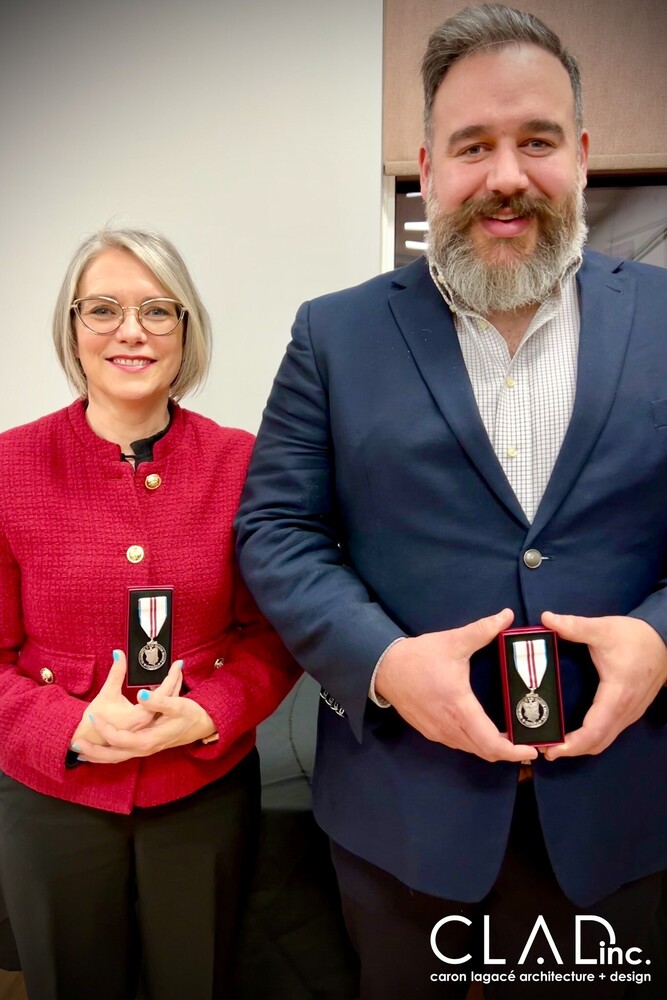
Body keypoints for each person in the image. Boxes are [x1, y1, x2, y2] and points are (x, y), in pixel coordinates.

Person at [235, 5, 667, 998]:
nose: (505, 174)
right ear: (428, 167)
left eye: (536, 140)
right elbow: (276, 527)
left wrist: (658, 637)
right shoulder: (333, 334)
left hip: (619, 804)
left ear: (582, 155)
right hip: (402, 814)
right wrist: (383, 662)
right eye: (472, 144)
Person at [0, 227, 300, 1000]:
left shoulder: (246, 463)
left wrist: (209, 713)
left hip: (202, 786)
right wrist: (62, 727)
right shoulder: (9, 467)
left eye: (157, 311)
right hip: (51, 790)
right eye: (102, 309)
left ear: (185, 330)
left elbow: (276, 632)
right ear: (72, 328)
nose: (130, 331)